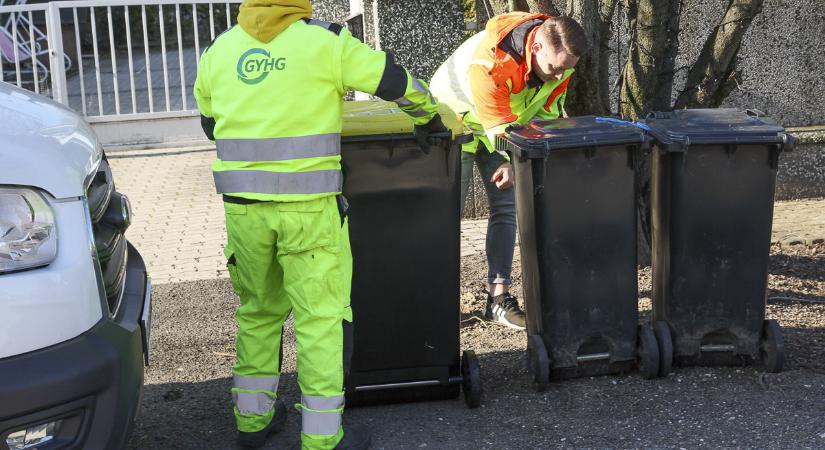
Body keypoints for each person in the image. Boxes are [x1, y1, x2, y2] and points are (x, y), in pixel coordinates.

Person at [193, 0, 446, 448]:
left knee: (258, 313)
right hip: (309, 211)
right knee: (320, 322)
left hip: (245, 211)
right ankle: (322, 440)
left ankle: (252, 425)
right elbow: (393, 80)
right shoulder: (325, 42)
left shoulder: (219, 50)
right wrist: (427, 116)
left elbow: (210, 123)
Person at [430, 12, 589, 330]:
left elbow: (549, 116)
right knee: (447, 217)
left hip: (503, 125)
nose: (560, 77)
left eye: (566, 69)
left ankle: (498, 300)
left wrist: (521, 160)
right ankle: (435, 304)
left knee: (507, 207)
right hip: (453, 121)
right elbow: (498, 128)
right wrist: (518, 161)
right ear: (538, 47)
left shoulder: (560, 63)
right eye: (555, 68)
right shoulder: (492, 62)